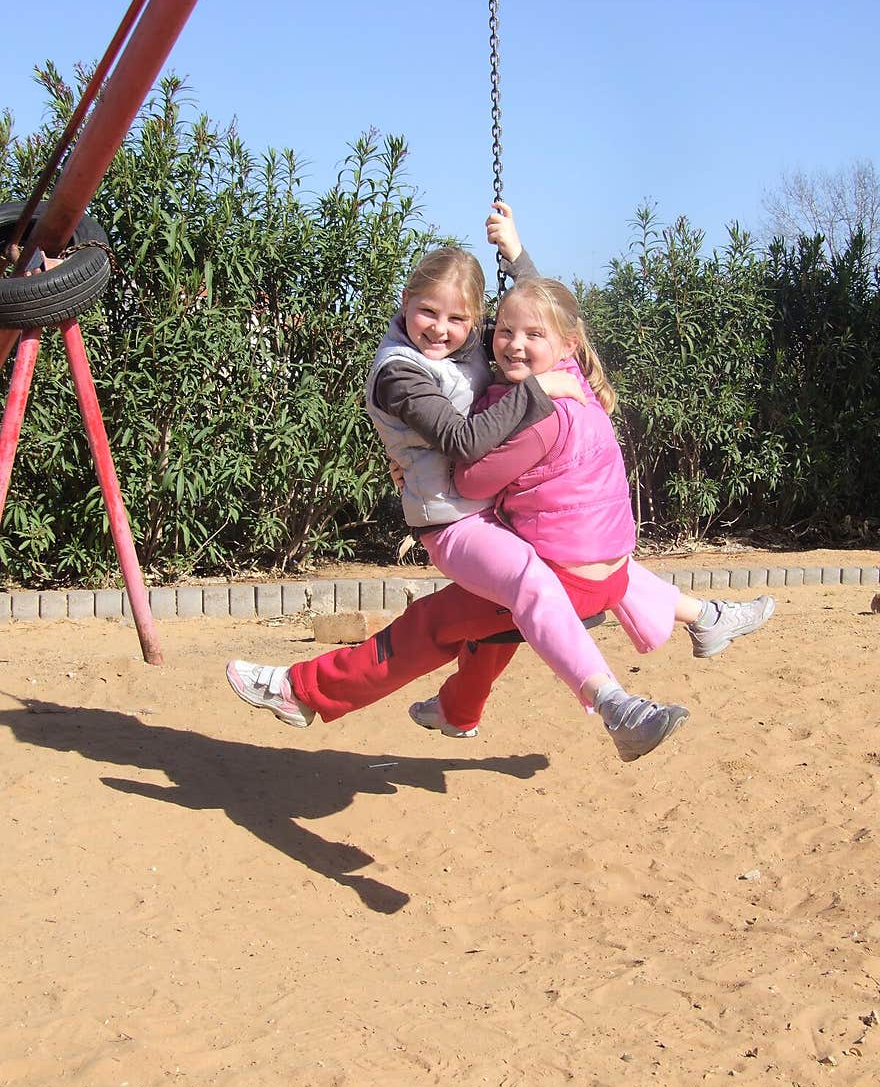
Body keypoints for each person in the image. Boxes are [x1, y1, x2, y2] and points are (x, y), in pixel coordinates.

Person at [227, 210, 773, 761]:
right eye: (428, 312)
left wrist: (515, 253)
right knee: (503, 594)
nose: (441, 329)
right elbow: (464, 446)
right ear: (404, 302)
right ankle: (616, 702)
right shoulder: (402, 371)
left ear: (475, 320)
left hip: (494, 517)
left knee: (478, 616)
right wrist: (539, 388)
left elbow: (539, 318)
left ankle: (439, 706)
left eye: (458, 319)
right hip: (454, 522)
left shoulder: (481, 346)